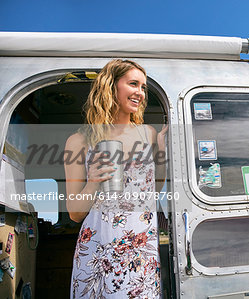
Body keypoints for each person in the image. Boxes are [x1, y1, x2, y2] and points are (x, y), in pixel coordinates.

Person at [64, 59, 167, 298]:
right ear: (111, 86)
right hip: (98, 249)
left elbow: (154, 189)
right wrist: (94, 181)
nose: (140, 93)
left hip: (142, 249)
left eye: (143, 87)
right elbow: (75, 212)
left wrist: (161, 152)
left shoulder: (148, 133)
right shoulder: (79, 141)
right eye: (133, 84)